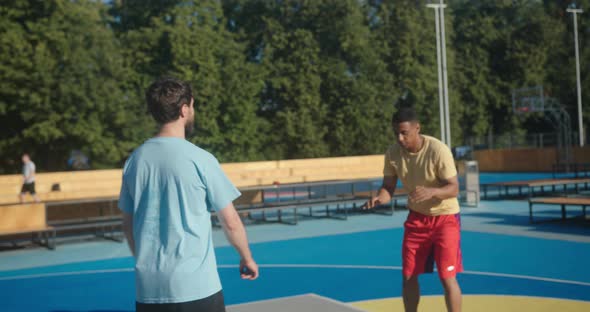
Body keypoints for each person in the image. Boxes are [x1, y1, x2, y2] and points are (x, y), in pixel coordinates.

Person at [119, 77, 259, 312]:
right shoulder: (201, 159)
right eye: (192, 106)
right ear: (184, 109)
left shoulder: (135, 161)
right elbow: (231, 222)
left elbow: (128, 224)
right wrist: (247, 257)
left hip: (149, 290)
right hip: (196, 288)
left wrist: (144, 261)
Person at [363, 107, 462, 312]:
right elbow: (388, 187)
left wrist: (432, 192)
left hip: (445, 219)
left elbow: (454, 188)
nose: (400, 138)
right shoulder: (392, 153)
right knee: (408, 275)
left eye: (404, 133)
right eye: (396, 133)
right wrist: (379, 198)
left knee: (447, 276)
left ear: (417, 128)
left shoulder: (438, 150)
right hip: (417, 220)